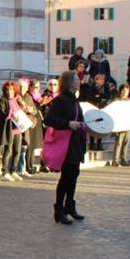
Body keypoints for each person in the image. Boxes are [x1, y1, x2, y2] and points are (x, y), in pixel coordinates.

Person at [43, 71, 87, 224]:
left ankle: (70, 206)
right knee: (66, 177)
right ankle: (59, 210)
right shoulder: (60, 100)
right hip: (66, 144)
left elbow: (79, 119)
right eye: (76, 79)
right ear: (69, 82)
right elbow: (48, 119)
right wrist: (68, 124)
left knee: (74, 175)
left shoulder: (74, 100)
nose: (79, 81)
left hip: (75, 143)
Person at [0, 80, 24, 182]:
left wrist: (22, 105)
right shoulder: (2, 100)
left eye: (11, 90)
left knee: (17, 150)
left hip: (18, 128)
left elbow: (22, 112)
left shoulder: (17, 99)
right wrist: (10, 113)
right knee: (8, 150)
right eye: (7, 90)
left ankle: (14, 170)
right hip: (9, 129)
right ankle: (5, 171)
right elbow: (0, 113)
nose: (9, 92)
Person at [80, 73, 111, 151]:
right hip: (93, 109)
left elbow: (108, 96)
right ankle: (92, 144)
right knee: (93, 126)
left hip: (102, 109)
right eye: (100, 79)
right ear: (96, 80)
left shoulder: (106, 87)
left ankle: (99, 144)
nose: (102, 81)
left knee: (101, 127)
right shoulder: (92, 87)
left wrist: (99, 96)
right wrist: (100, 96)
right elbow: (90, 97)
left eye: (103, 79)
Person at [110, 83, 130, 167]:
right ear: (120, 91)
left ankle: (123, 159)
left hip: (128, 124)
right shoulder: (116, 101)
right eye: (123, 90)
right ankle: (115, 160)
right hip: (119, 124)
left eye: (126, 91)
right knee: (119, 142)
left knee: (126, 142)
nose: (124, 92)